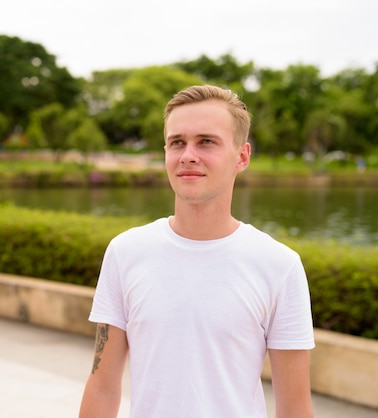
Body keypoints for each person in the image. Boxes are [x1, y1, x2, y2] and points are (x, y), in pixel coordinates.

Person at [79, 85, 314, 418]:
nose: (188, 154)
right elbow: (103, 386)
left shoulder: (280, 265)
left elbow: (294, 407)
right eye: (177, 142)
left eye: (206, 141)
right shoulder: (125, 252)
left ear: (242, 156)